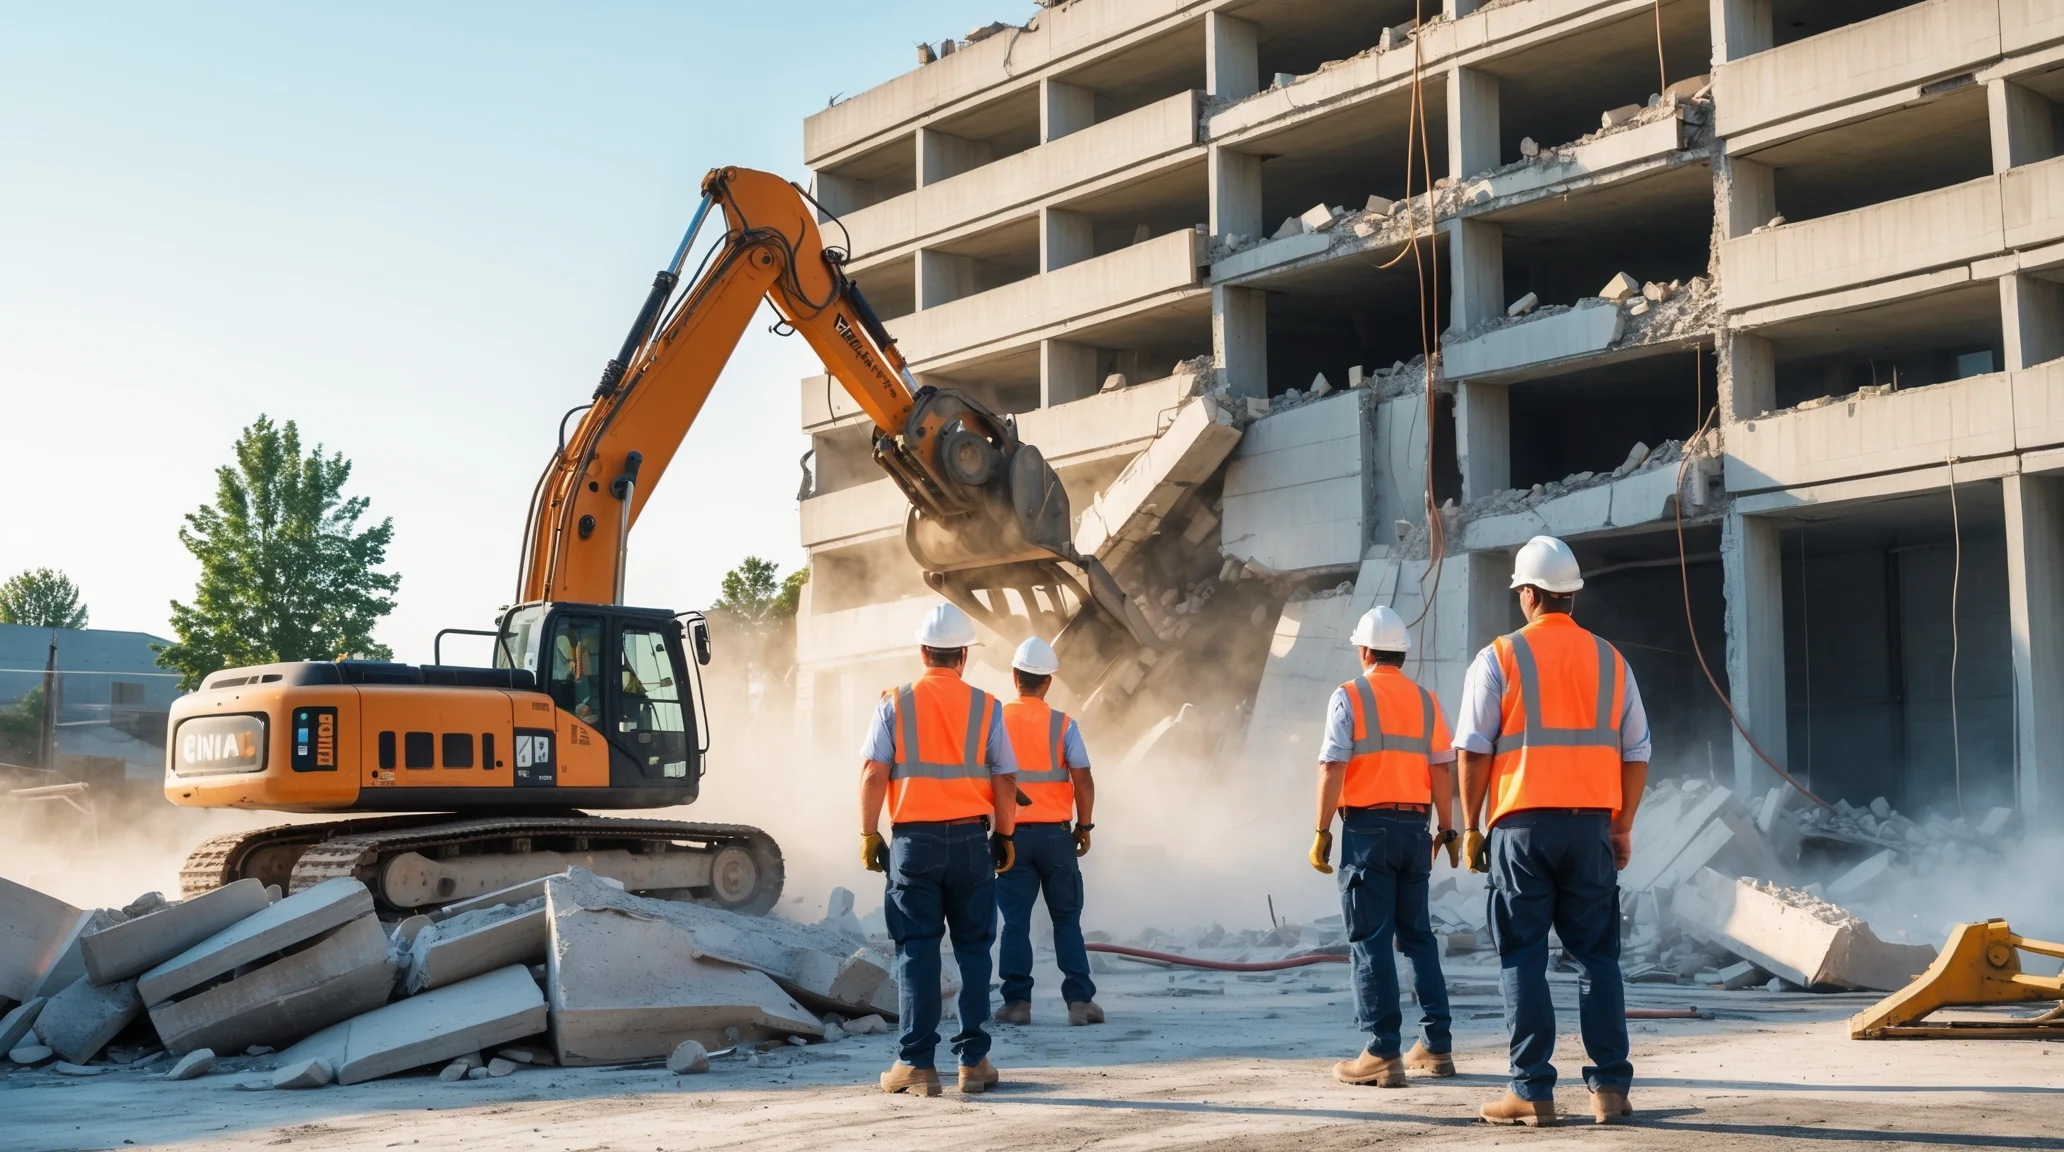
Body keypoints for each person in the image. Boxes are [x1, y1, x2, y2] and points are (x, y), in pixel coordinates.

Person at [1454, 535, 1650, 1127]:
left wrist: (1470, 826)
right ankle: (1610, 1090)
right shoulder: (1612, 660)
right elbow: (1637, 751)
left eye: (1520, 592)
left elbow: (1471, 750)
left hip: (1520, 828)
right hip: (1590, 828)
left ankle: (1532, 1090)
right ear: (1572, 596)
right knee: (1597, 959)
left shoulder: (1499, 657)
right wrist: (1622, 827)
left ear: (1531, 594)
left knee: (1522, 958)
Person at [858, 602, 1018, 1097]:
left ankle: (917, 1065)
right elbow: (1006, 777)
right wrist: (1006, 835)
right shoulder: (988, 706)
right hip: (971, 842)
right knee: (974, 950)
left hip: (914, 843)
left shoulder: (894, 701)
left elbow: (873, 773)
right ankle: (974, 1063)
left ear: (923, 651)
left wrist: (869, 833)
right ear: (963, 655)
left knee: (918, 952)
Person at [1309, 605, 1459, 1088]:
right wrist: (1447, 829)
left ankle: (1381, 1051)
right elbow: (1441, 768)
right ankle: (1437, 1046)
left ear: (1366, 650)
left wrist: (1321, 829)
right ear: (1402, 653)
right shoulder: (1426, 700)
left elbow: (1333, 764)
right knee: (1418, 937)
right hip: (1416, 829)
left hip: (1367, 830)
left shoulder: (1349, 695)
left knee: (1370, 940)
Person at [992, 637, 1103, 1028]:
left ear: (1015, 677)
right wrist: (1084, 826)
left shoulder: (997, 719)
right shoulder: (1064, 724)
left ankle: (1017, 1003)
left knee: (1015, 921)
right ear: (1049, 681)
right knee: (1066, 920)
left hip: (1010, 838)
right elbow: (1083, 778)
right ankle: (1079, 1003)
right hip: (1057, 837)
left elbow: (986, 775)